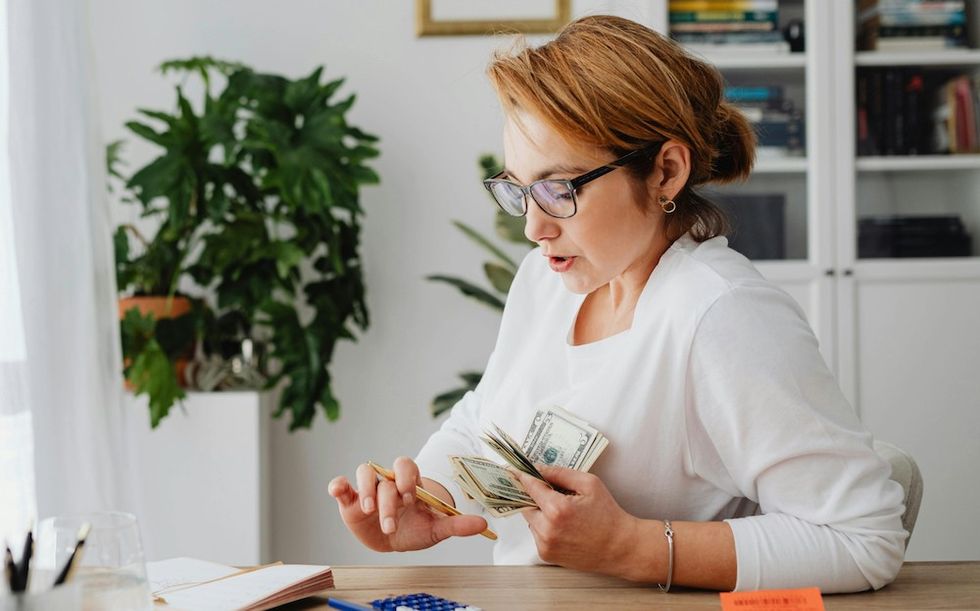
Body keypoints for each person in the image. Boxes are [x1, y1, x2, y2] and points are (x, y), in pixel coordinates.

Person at [328, 15, 906, 593]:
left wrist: (631, 546)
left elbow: (862, 540)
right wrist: (430, 497)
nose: (533, 226)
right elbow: (485, 417)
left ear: (666, 171)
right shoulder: (545, 281)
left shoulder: (723, 316)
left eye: (559, 190)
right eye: (519, 190)